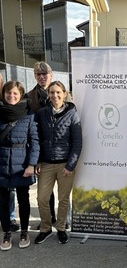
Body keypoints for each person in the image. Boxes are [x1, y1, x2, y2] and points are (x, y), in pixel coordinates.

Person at [35, 81, 82, 245]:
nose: (55, 95)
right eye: (52, 92)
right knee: (42, 198)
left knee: (63, 199)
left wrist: (71, 165)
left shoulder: (72, 114)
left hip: (65, 165)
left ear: (64, 93)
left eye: (58, 92)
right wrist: (38, 161)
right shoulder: (42, 113)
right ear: (48, 94)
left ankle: (61, 228)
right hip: (46, 163)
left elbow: (77, 143)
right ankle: (46, 228)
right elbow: (37, 138)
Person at [27, 61, 72, 228]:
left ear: (51, 76)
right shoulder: (30, 97)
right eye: (38, 74)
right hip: (42, 151)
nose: (41, 77)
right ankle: (49, 218)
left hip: (62, 151)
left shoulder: (62, 93)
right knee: (45, 193)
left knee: (64, 192)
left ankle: (64, 219)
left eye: (44, 74)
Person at [0, 81, 39, 250]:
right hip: (1, 162)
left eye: (15, 93)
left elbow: (35, 142)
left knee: (23, 200)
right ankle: (7, 233)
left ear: (21, 95)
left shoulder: (29, 116)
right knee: (2, 201)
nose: (11, 96)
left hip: (22, 164)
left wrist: (31, 164)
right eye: (9, 93)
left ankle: (24, 231)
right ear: (4, 94)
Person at [0, 74, 20, 232]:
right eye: (9, 92)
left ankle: (10, 217)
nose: (11, 95)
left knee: (10, 191)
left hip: (12, 159)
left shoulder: (21, 110)